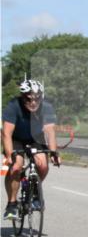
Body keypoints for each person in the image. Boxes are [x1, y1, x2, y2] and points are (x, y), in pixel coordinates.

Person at [3, 80, 60, 218]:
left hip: (35, 138)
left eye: (37, 99)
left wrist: (54, 152)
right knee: (16, 167)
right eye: (28, 99)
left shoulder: (46, 107)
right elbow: (6, 133)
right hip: (16, 139)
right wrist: (9, 155)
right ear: (22, 97)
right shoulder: (13, 106)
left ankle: (34, 193)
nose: (33, 103)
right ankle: (11, 204)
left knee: (43, 165)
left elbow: (50, 131)